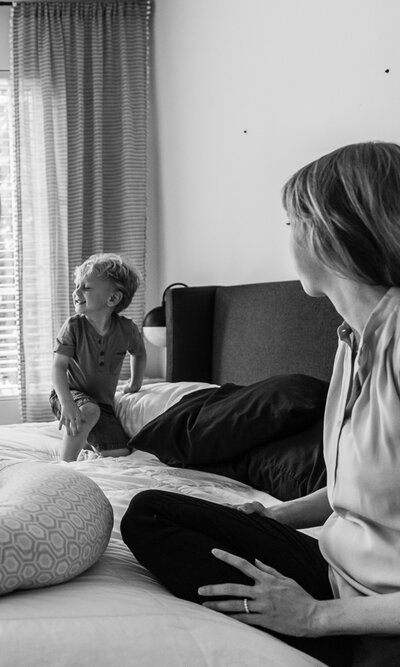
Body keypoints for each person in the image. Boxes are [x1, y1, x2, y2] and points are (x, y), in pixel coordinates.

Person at [120, 141, 400, 667]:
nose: (287, 236)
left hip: (380, 606)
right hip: (340, 571)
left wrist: (314, 617)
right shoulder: (352, 339)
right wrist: (276, 517)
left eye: (291, 222)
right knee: (150, 513)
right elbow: (361, 490)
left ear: (330, 231)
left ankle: (350, 644)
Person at [50, 253, 147, 462]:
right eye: (77, 285)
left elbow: (138, 353)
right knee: (88, 410)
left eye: (86, 287)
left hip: (102, 405)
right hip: (68, 395)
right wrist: (66, 403)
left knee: (118, 453)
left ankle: (83, 437)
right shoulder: (74, 326)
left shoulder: (127, 330)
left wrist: (134, 385)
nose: (76, 292)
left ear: (112, 299)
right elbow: (58, 367)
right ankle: (63, 465)